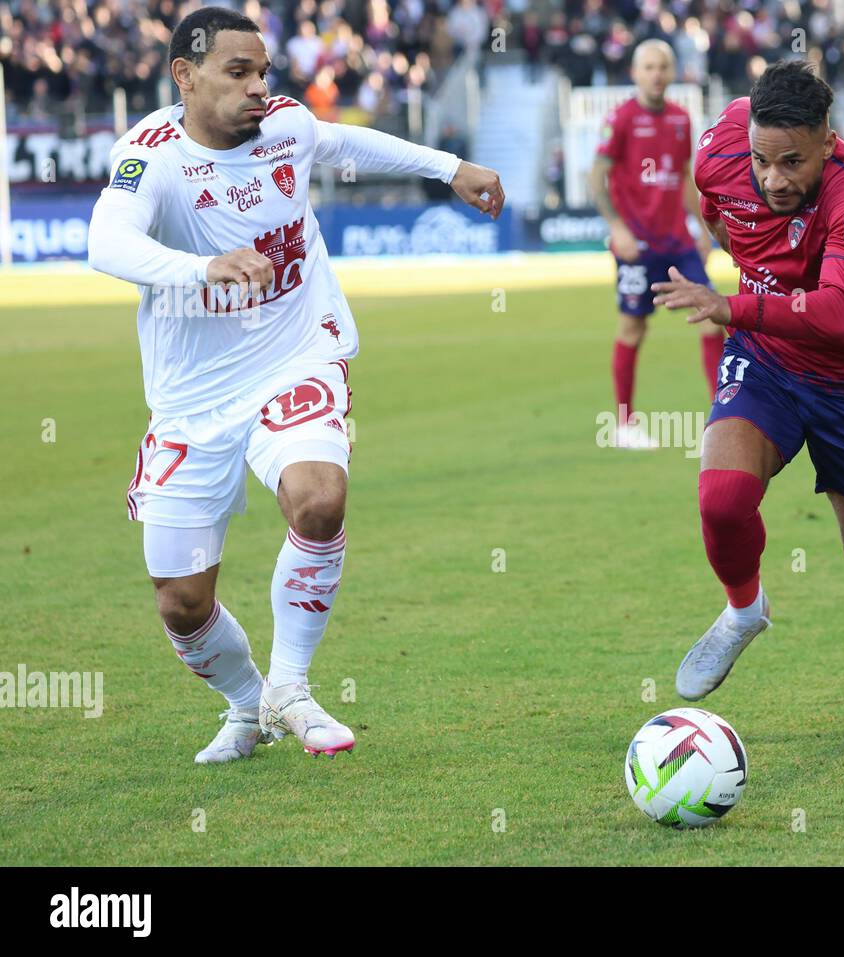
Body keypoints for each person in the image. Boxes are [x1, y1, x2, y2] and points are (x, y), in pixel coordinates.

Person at [86, 7, 504, 764]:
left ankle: (291, 683)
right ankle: (248, 707)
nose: (258, 88)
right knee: (182, 603)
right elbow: (105, 241)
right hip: (192, 396)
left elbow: (347, 142)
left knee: (318, 497)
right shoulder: (150, 154)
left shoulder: (284, 125)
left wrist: (450, 168)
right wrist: (200, 267)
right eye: (237, 72)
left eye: (263, 71)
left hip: (296, 353)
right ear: (185, 76)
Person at [651, 60, 844, 736]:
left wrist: (734, 302)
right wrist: (743, 275)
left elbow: (842, 313)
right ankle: (743, 609)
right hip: (766, 362)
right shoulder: (719, 153)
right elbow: (715, 209)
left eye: (792, 162)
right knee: (720, 498)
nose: (774, 177)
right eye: (763, 159)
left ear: (827, 139)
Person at [588, 39, 723, 449]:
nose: (656, 74)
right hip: (637, 245)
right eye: (648, 67)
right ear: (634, 73)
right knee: (633, 326)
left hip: (678, 242)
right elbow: (596, 177)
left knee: (715, 316)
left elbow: (685, 179)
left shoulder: (681, 120)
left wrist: (703, 228)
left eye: (662, 66)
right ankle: (625, 424)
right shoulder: (621, 119)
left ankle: (723, 421)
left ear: (672, 72)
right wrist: (617, 227)